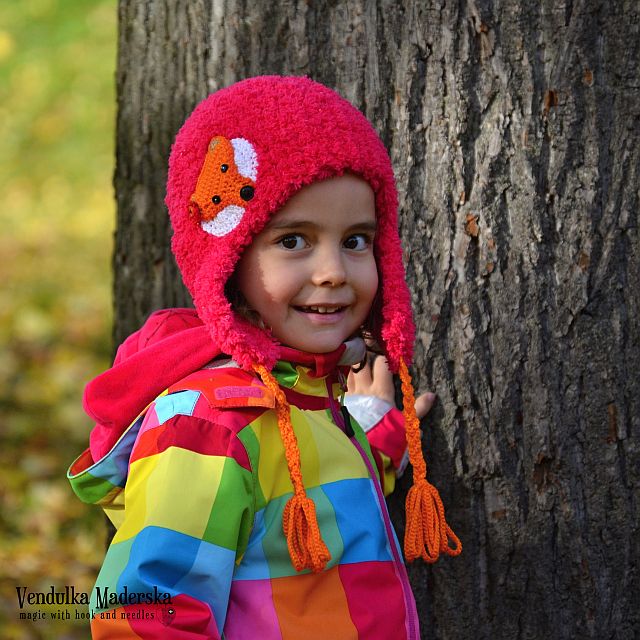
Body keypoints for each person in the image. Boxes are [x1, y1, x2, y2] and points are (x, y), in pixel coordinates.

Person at [68, 76, 461, 639]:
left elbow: (309, 492)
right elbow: (147, 616)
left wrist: (370, 432)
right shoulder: (205, 427)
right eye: (293, 240)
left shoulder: (308, 394)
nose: (333, 271)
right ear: (226, 258)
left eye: (356, 240)